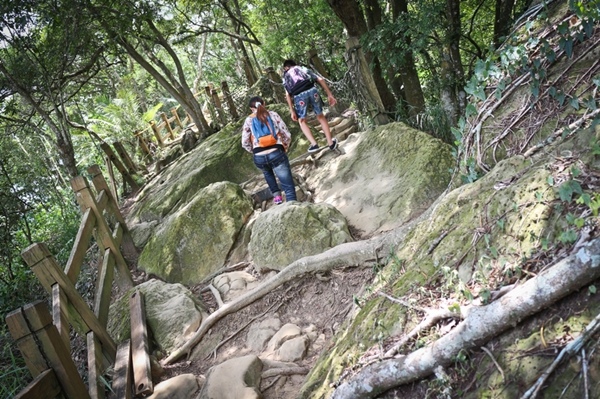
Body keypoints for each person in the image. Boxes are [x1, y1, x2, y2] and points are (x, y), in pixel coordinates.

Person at [242, 96, 297, 205]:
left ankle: (277, 198)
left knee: (267, 172)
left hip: (259, 156)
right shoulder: (273, 115)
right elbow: (286, 134)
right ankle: (293, 204)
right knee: (288, 185)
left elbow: (244, 142)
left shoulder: (249, 120)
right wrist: (285, 146)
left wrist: (254, 151)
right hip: (276, 152)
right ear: (264, 103)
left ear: (251, 109)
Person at [282, 59, 338, 153]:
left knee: (302, 120)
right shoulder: (302, 68)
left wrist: (292, 110)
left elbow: (288, 94)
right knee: (320, 116)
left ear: (286, 67)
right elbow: (320, 79)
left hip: (299, 96)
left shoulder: (286, 76)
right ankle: (330, 143)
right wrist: (329, 95)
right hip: (312, 91)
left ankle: (314, 144)